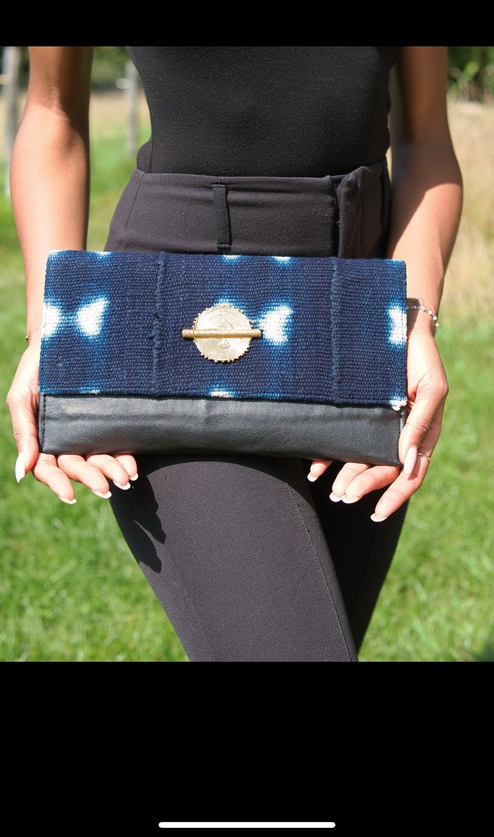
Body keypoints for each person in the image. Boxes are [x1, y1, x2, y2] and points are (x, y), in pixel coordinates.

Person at [6, 46, 463, 662]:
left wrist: (411, 318)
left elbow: (426, 137)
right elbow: (53, 112)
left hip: (353, 323)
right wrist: (54, 330)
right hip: (172, 322)